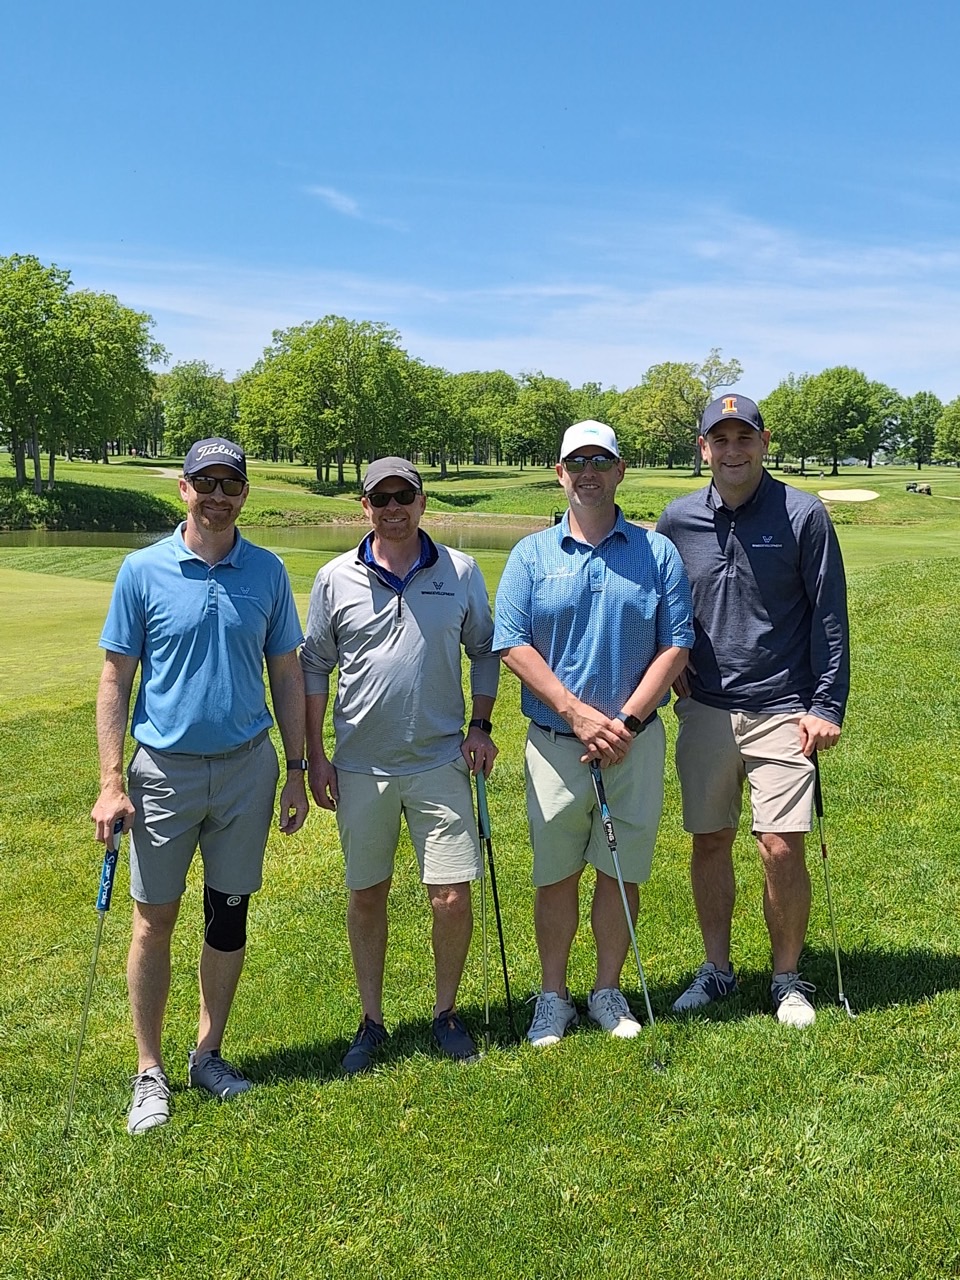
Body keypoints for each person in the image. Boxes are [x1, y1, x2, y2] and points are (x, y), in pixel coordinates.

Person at [90, 437, 308, 1134]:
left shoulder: (268, 571)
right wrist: (110, 781)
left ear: (244, 493)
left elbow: (286, 673)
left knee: (228, 913)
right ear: (183, 488)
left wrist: (297, 769)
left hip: (248, 768)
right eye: (204, 483)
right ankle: (149, 1070)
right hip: (163, 773)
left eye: (230, 485)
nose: (218, 496)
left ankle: (207, 1054)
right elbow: (116, 678)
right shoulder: (142, 570)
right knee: (154, 919)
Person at [493, 421, 693, 1047]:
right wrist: (577, 713)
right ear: (559, 473)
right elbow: (512, 643)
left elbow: (676, 645)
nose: (588, 472)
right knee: (555, 874)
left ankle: (607, 990)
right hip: (556, 743)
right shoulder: (531, 555)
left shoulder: (657, 552)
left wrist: (626, 721)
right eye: (576, 462)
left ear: (620, 471)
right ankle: (552, 996)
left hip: (636, 740)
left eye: (600, 461)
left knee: (620, 869)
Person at [656, 394, 850, 1027]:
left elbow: (829, 616)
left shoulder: (803, 514)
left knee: (780, 846)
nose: (733, 450)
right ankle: (717, 969)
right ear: (703, 449)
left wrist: (826, 705)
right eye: (721, 439)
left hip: (784, 707)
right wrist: (668, 664)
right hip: (705, 708)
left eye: (745, 438)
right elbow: (661, 604)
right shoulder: (677, 520)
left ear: (765, 444)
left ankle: (786, 978)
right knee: (710, 839)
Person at [301, 457, 499, 1073]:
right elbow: (314, 665)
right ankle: (372, 1020)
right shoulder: (334, 578)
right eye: (380, 498)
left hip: (440, 759)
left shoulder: (460, 571)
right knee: (367, 893)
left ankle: (446, 1013)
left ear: (421, 502)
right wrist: (315, 757)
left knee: (451, 894)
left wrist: (481, 725)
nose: (393, 508)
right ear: (365, 506)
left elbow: (484, 650)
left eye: (403, 496)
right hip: (361, 766)